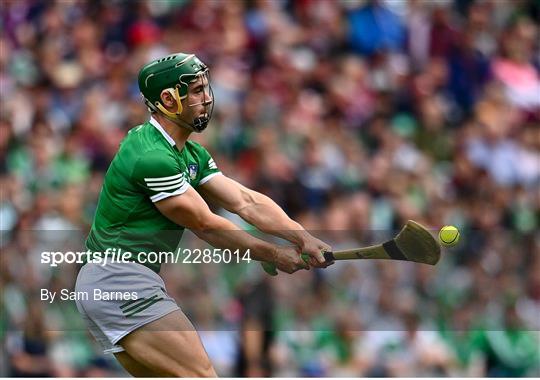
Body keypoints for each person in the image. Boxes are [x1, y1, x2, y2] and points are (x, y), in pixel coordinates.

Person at [74, 52, 333, 377]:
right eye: (195, 91)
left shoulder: (189, 153)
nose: (207, 98)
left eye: (205, 88)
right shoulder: (152, 156)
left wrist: (302, 237)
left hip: (118, 281)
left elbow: (245, 201)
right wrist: (273, 253)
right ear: (168, 100)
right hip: (119, 280)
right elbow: (204, 224)